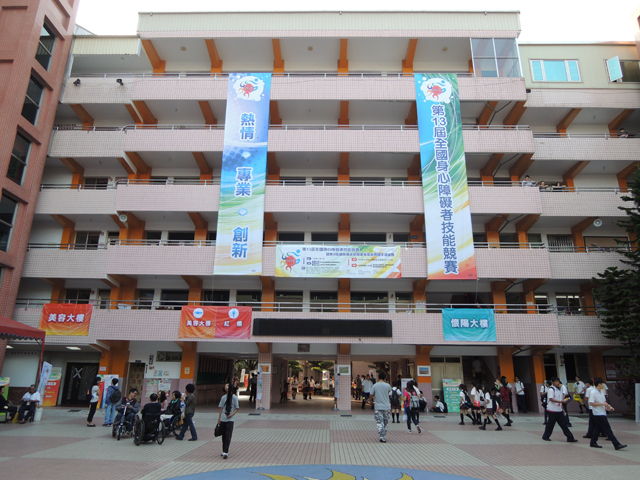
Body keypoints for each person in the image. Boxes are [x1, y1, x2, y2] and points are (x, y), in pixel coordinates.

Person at [589, 378, 626, 450]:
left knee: (597, 428)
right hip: (598, 413)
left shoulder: (602, 392)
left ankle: (593, 442)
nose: (603, 385)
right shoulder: (593, 392)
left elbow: (605, 402)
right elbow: (591, 403)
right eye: (602, 384)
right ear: (599, 384)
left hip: (602, 412)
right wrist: (602, 404)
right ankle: (616, 444)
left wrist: (609, 407)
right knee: (608, 429)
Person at [542, 377, 577, 443]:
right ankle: (545, 436)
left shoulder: (559, 390)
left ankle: (570, 437)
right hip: (552, 410)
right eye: (556, 381)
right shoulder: (551, 390)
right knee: (550, 425)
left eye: (558, 381)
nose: (558, 383)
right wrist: (561, 402)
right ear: (553, 382)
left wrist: (563, 406)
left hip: (559, 410)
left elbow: (560, 400)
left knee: (564, 425)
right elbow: (551, 399)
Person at [217, 382, 239, 459]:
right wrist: (219, 419)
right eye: (225, 386)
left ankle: (226, 451)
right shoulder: (223, 397)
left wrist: (231, 415)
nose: (226, 387)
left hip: (230, 419)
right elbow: (221, 408)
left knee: (228, 435)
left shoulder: (234, 398)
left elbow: (237, 408)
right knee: (223, 435)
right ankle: (224, 450)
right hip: (223, 418)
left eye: (228, 386)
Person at [369, 372, 392, 443]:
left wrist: (371, 401)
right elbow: (390, 395)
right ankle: (383, 435)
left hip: (378, 406)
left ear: (378, 377)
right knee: (385, 422)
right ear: (385, 378)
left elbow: (371, 394)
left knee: (379, 422)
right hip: (387, 406)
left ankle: (382, 436)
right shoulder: (388, 386)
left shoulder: (375, 385)